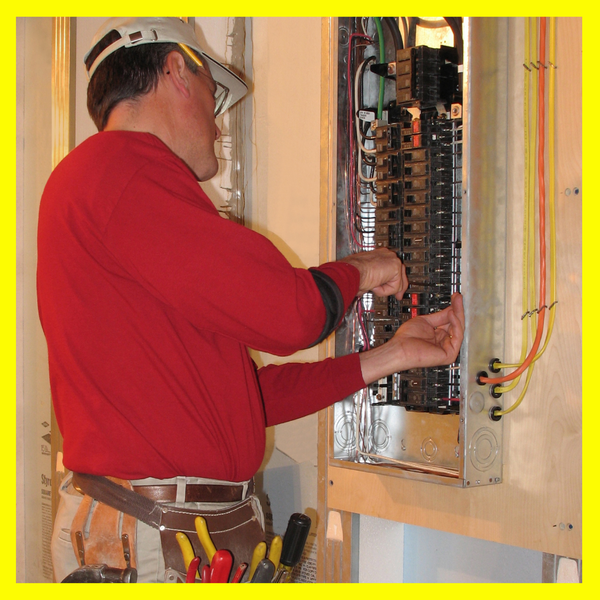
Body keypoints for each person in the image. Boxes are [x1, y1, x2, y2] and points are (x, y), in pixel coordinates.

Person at [37, 17, 465, 583]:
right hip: (151, 533)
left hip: (169, 528)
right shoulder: (119, 169)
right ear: (175, 72)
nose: (217, 128)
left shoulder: (116, 192)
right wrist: (363, 268)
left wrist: (392, 356)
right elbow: (291, 315)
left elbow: (242, 399)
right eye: (214, 100)